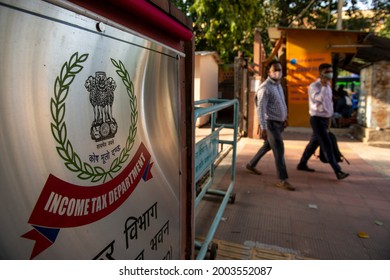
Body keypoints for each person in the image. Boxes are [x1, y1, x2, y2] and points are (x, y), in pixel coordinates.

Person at [246, 60, 294, 191]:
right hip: (270, 124)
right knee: (279, 150)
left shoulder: (278, 85)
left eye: (280, 69)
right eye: (275, 70)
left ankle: (251, 164)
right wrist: (264, 128)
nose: (278, 72)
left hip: (279, 123)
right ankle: (282, 180)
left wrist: (285, 117)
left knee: (268, 146)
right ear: (269, 72)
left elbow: (282, 103)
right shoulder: (265, 88)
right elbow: (260, 109)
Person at [297, 63, 349, 180]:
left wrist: (330, 117)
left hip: (325, 119)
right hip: (317, 120)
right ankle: (338, 170)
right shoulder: (314, 86)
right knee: (327, 144)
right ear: (320, 74)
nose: (329, 74)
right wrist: (324, 86)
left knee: (313, 144)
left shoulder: (328, 86)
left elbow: (329, 103)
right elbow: (318, 100)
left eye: (331, 71)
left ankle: (302, 163)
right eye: (327, 72)